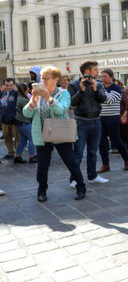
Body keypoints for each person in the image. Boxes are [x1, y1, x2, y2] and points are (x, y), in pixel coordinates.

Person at [23, 66, 86, 202]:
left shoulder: (63, 93)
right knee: (43, 165)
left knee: (71, 161)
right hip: (41, 133)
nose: (43, 80)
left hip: (60, 131)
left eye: (46, 78)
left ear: (56, 79)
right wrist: (33, 102)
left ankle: (80, 186)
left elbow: (61, 111)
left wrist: (49, 98)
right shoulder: (38, 93)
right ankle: (42, 190)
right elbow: (26, 113)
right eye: (42, 78)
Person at [68, 61, 109, 186]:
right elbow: (72, 102)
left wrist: (96, 89)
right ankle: (74, 179)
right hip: (81, 122)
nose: (98, 72)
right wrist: (81, 90)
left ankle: (92, 175)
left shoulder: (99, 84)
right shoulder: (74, 84)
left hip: (96, 121)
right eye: (95, 70)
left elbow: (104, 99)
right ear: (87, 71)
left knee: (92, 151)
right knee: (78, 153)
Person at [98, 69, 128, 173]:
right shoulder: (100, 88)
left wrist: (101, 89)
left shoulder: (116, 88)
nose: (103, 79)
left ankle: (127, 160)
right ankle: (105, 164)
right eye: (102, 76)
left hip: (112, 117)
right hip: (101, 117)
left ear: (111, 77)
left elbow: (110, 100)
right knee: (101, 142)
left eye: (105, 76)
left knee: (116, 140)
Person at [14, 83, 36, 164]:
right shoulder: (24, 100)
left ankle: (18, 156)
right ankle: (32, 156)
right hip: (25, 122)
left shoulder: (19, 97)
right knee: (32, 139)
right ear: (26, 89)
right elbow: (29, 112)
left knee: (23, 140)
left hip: (19, 122)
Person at [1, 78, 19, 159]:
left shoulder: (16, 93)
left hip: (14, 120)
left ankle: (18, 154)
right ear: (4, 85)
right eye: (7, 85)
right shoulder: (3, 93)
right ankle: (10, 153)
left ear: (14, 85)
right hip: (4, 120)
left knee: (17, 138)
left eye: (11, 85)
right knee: (7, 138)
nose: (9, 87)